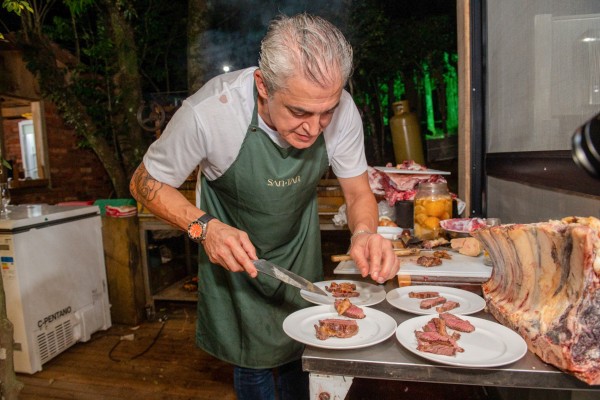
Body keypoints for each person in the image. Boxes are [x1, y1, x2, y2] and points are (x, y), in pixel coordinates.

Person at [130, 12, 400, 400]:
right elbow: (143, 181)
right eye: (299, 112)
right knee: (253, 359)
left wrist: (364, 232)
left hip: (297, 248)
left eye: (326, 111)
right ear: (262, 85)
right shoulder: (210, 112)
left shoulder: (341, 110)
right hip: (235, 254)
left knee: (302, 348)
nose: (314, 126)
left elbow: (358, 193)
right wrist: (204, 227)